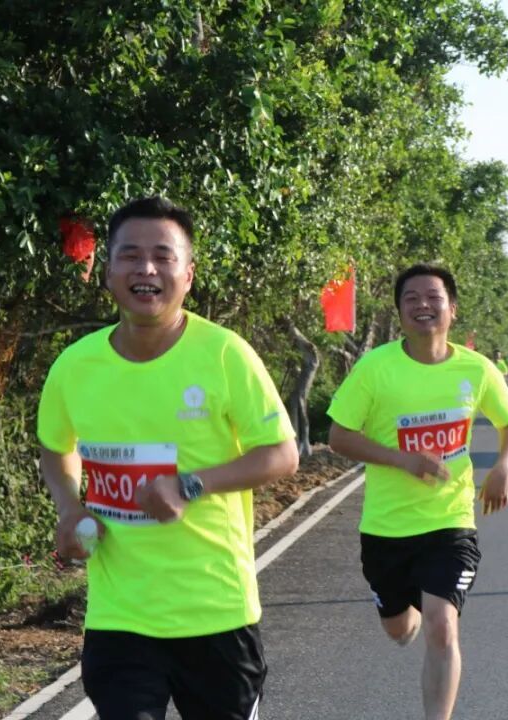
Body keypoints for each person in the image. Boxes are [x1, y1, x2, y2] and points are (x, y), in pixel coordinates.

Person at [37, 196, 299, 720]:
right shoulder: (74, 367)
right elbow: (55, 446)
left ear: (188, 274)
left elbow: (282, 454)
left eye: (163, 256)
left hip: (215, 615)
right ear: (108, 272)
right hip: (120, 618)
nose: (147, 269)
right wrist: (69, 506)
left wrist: (189, 484)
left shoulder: (224, 354)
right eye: (130, 256)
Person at [327, 264, 508, 720]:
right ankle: (408, 610)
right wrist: (403, 460)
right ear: (399, 312)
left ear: (452, 309)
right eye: (411, 298)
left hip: (450, 523)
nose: (422, 305)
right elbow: (338, 436)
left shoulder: (477, 369)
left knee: (443, 626)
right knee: (399, 630)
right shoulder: (375, 368)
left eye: (433, 297)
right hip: (386, 528)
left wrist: (503, 466)